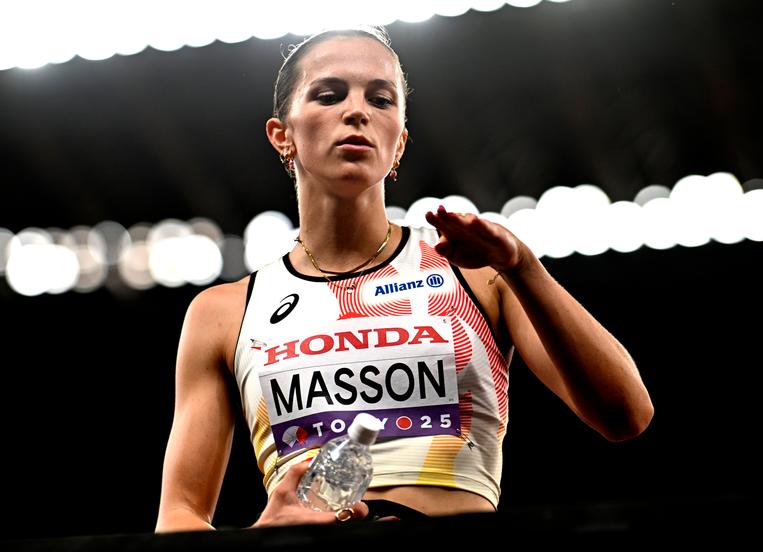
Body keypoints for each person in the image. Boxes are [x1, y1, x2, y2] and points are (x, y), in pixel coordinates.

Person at [155, 25, 654, 531]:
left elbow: (626, 416)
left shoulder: (477, 274)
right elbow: (178, 518)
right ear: (282, 134)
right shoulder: (225, 312)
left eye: (381, 99)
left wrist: (523, 266)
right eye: (329, 95)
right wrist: (259, 540)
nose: (357, 111)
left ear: (399, 145)